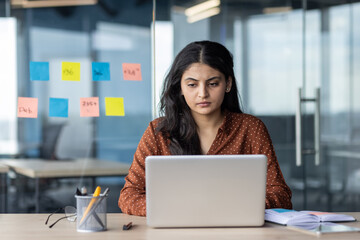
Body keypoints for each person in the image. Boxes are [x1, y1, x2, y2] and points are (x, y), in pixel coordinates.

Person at [118, 40, 292, 216]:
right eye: (192, 85)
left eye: (213, 83)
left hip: (235, 228)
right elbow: (129, 195)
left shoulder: (250, 128)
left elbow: (280, 194)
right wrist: (175, 210)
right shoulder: (159, 131)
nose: (203, 93)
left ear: (228, 84)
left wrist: (238, 207)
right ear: (180, 88)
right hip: (176, 228)